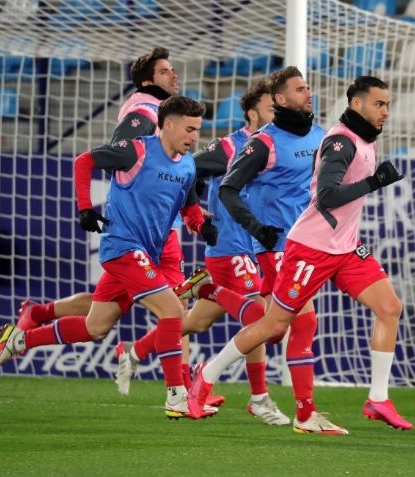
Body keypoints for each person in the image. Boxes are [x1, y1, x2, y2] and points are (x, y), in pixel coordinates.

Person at [187, 76, 413, 433]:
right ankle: (208, 377)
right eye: (379, 104)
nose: (385, 111)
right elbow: (325, 197)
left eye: (388, 105)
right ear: (357, 104)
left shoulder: (337, 136)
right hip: (307, 247)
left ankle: (377, 399)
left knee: (389, 307)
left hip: (344, 246)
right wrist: (375, 182)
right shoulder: (331, 141)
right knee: (275, 325)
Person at [0, 96, 216, 420]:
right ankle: (176, 395)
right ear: (168, 124)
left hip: (146, 254)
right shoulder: (135, 150)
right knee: (173, 310)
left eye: (198, 130)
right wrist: (85, 208)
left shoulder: (188, 165)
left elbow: (188, 208)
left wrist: (201, 226)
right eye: (190, 129)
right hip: (122, 248)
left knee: (96, 327)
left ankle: (21, 339)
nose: (195, 137)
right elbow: (84, 161)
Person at [14, 47, 198, 389]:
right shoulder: (146, 110)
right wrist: (91, 205)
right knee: (175, 308)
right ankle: (181, 390)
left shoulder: (161, 115)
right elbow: (120, 156)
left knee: (101, 321)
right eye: (164, 71)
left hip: (156, 231)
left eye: (172, 70)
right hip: (141, 232)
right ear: (147, 81)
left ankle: (35, 320)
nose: (174, 75)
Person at [115, 80, 291, 425]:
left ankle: (135, 350)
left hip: (254, 247)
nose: (277, 115)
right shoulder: (233, 147)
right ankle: (258, 397)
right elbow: (191, 167)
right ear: (253, 113)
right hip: (231, 247)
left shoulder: (274, 145)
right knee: (259, 318)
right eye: (272, 109)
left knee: (195, 320)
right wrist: (196, 208)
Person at [197, 65, 330, 432]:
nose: (308, 93)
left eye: (308, 87)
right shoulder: (247, 144)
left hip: (304, 242)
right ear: (264, 107)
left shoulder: (315, 134)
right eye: (299, 89)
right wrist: (197, 217)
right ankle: (298, 411)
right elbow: (209, 181)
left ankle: (205, 302)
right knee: (293, 320)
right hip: (260, 245)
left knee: (270, 325)